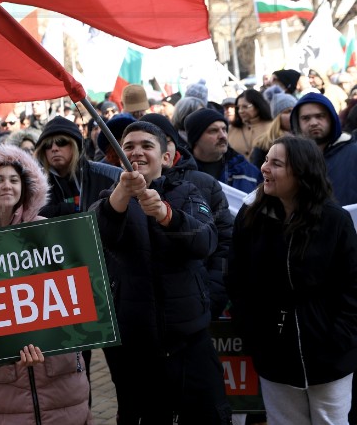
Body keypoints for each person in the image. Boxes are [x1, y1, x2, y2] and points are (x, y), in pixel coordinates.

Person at [92, 121, 231, 423]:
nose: (136, 152)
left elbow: (206, 239)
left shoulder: (188, 192)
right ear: (117, 157)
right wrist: (119, 198)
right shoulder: (108, 200)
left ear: (166, 158)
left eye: (146, 146)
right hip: (135, 349)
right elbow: (94, 240)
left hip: (190, 342)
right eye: (128, 146)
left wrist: (168, 216)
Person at [0, 143, 91, 424]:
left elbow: (77, 295)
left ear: (25, 187)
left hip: (60, 374)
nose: (7, 186)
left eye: (14, 180)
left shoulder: (48, 231)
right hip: (4, 381)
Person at [227, 135, 357, 423]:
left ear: (301, 172)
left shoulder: (335, 221)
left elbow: (352, 286)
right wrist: (252, 330)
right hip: (274, 351)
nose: (264, 168)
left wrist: (339, 338)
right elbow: (237, 278)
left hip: (329, 354)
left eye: (276, 163)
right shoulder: (251, 219)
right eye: (265, 160)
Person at [141, 113, 233, 320]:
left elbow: (225, 244)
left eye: (164, 140)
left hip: (194, 309)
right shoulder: (119, 191)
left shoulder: (204, 184)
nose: (154, 148)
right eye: (145, 144)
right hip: (140, 316)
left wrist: (210, 298)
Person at [34, 116, 122, 219]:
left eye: (61, 142)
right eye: (47, 145)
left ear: (75, 145)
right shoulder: (36, 186)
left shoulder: (108, 175)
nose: (54, 149)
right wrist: (69, 208)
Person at [289, 92, 357, 205]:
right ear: (297, 123)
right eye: (306, 118)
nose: (314, 123)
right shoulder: (291, 159)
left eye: (320, 116)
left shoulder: (353, 153)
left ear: (332, 118)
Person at [185, 108, 263, 194]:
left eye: (224, 129)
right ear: (195, 138)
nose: (223, 136)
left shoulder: (247, 170)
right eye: (213, 131)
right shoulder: (180, 171)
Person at [250, 93, 297, 168]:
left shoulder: (305, 138)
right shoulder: (263, 144)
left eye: (295, 111)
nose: (293, 114)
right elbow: (256, 174)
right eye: (288, 111)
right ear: (277, 117)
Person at [229, 89, 272, 160]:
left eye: (245, 107)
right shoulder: (231, 129)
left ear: (258, 106)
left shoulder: (272, 127)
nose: (240, 111)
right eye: (238, 108)